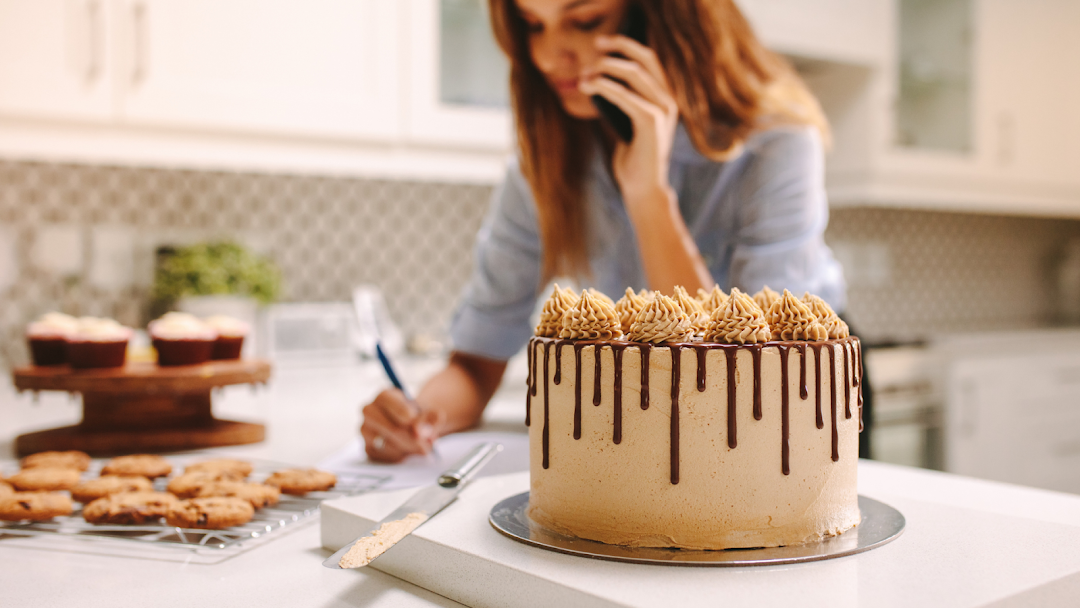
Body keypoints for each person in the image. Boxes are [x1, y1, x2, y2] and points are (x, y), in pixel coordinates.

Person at [361, 0, 849, 463]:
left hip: (790, 414)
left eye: (587, 21)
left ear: (661, 16)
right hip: (663, 413)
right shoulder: (547, 161)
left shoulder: (778, 143)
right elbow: (476, 362)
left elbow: (746, 383)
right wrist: (416, 419)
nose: (551, 54)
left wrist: (649, 195)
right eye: (534, 24)